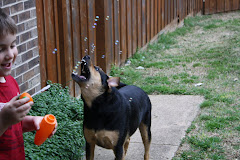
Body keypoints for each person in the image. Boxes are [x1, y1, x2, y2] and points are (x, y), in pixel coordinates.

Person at [0, 8, 57, 159]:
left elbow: (12, 126)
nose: (10, 55)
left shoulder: (11, 83)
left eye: (12, 46)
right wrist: (3, 119)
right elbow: (5, 122)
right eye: (1, 49)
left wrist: (32, 121)